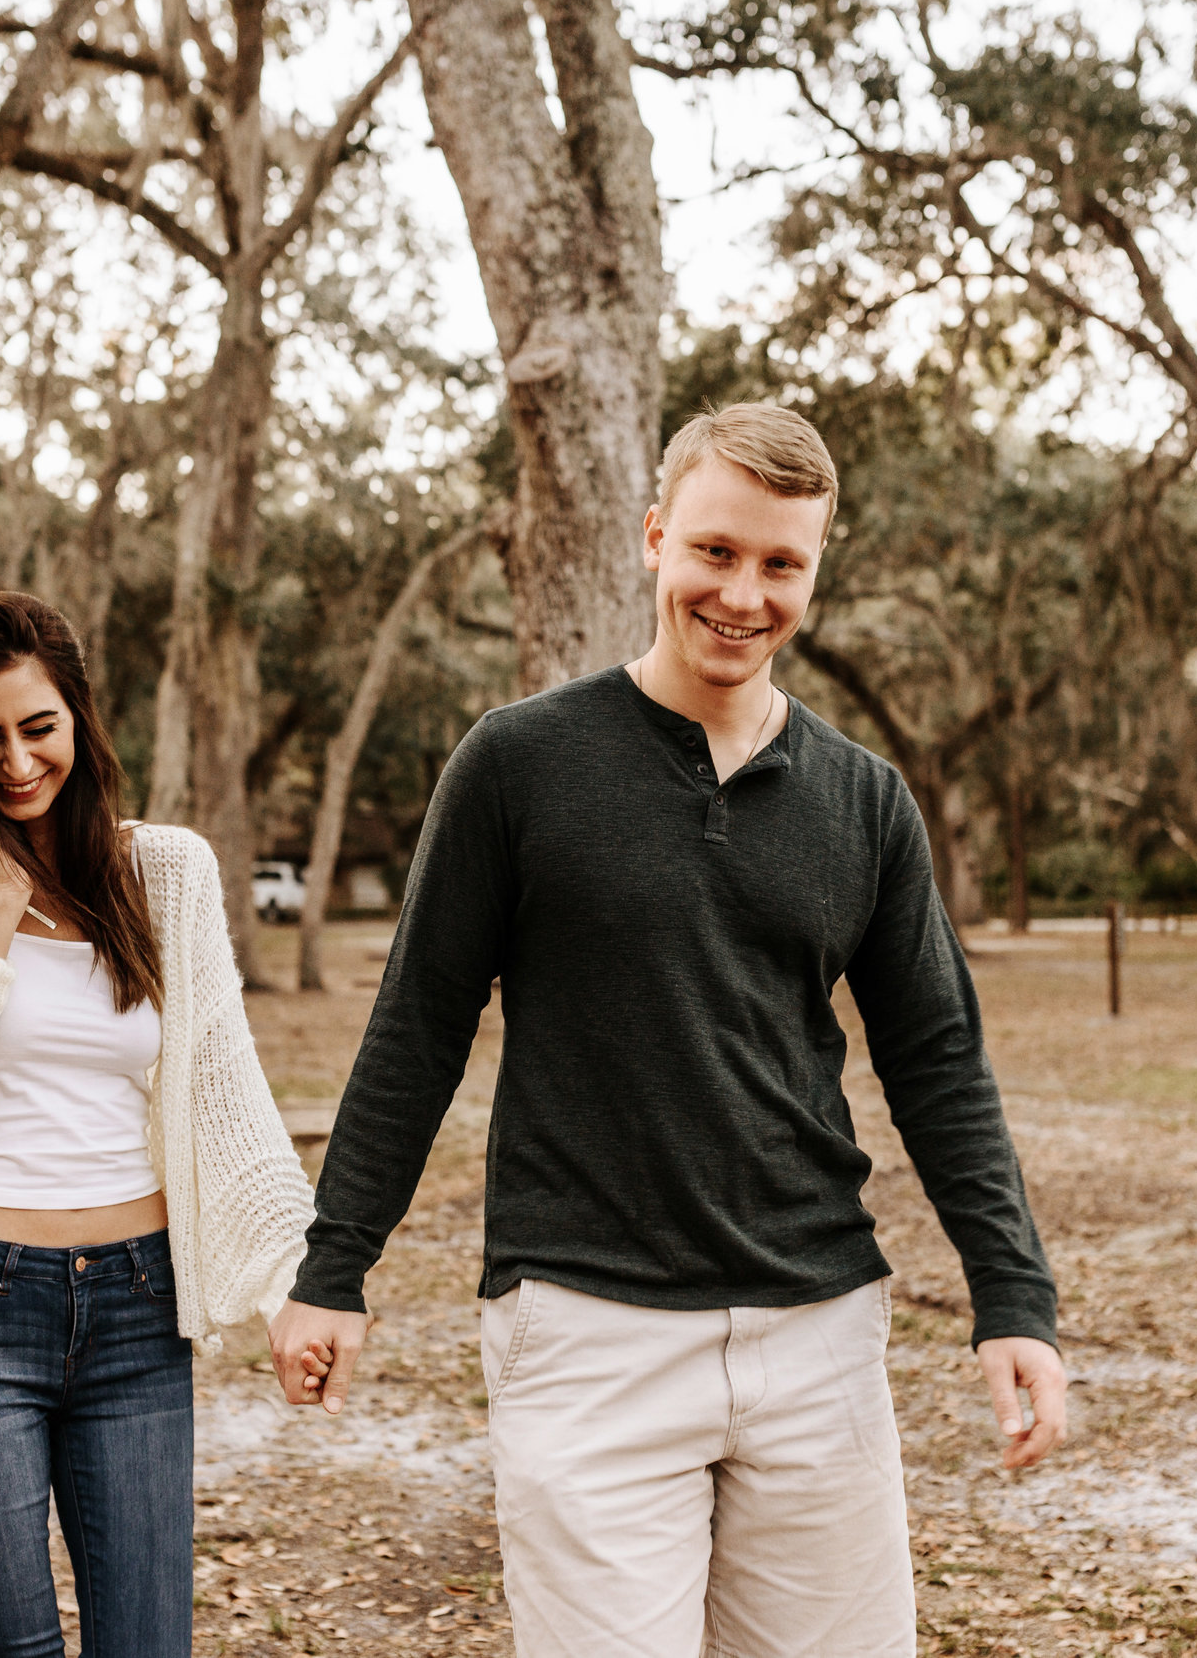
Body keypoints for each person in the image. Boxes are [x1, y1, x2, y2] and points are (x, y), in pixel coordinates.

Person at [267, 404, 1067, 1656]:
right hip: (588, 1332)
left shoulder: (864, 801)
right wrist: (334, 1266)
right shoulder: (519, 763)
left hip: (818, 1331)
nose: (741, 593)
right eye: (714, 550)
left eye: (779, 563)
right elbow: (418, 1026)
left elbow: (938, 1063)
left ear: (812, 572)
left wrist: (1012, 1295)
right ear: (654, 539)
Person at [0, 591, 313, 1658]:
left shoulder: (168, 873)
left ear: (80, 718)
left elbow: (223, 1092)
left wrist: (298, 1283)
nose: (16, 761)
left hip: (138, 1309)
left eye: (37, 727)